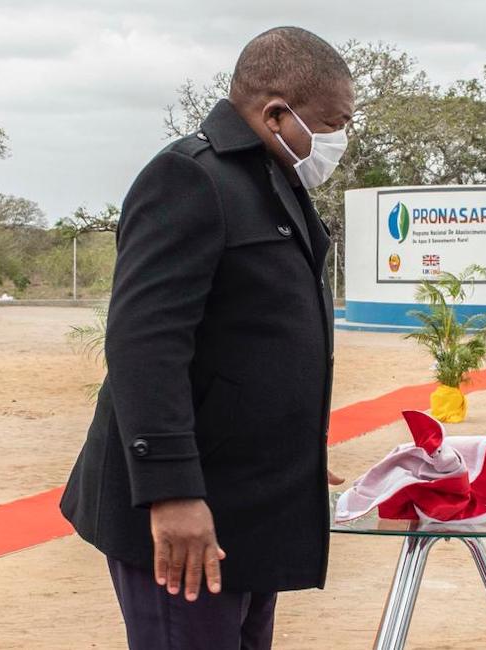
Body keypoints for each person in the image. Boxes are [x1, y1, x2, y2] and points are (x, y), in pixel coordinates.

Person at [59, 26, 354, 650]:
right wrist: (171, 495)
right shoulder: (191, 178)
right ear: (276, 113)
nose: (338, 140)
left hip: (248, 500)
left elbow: (254, 338)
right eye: (332, 122)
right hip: (189, 512)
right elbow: (145, 346)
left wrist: (292, 449)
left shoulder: (273, 189)